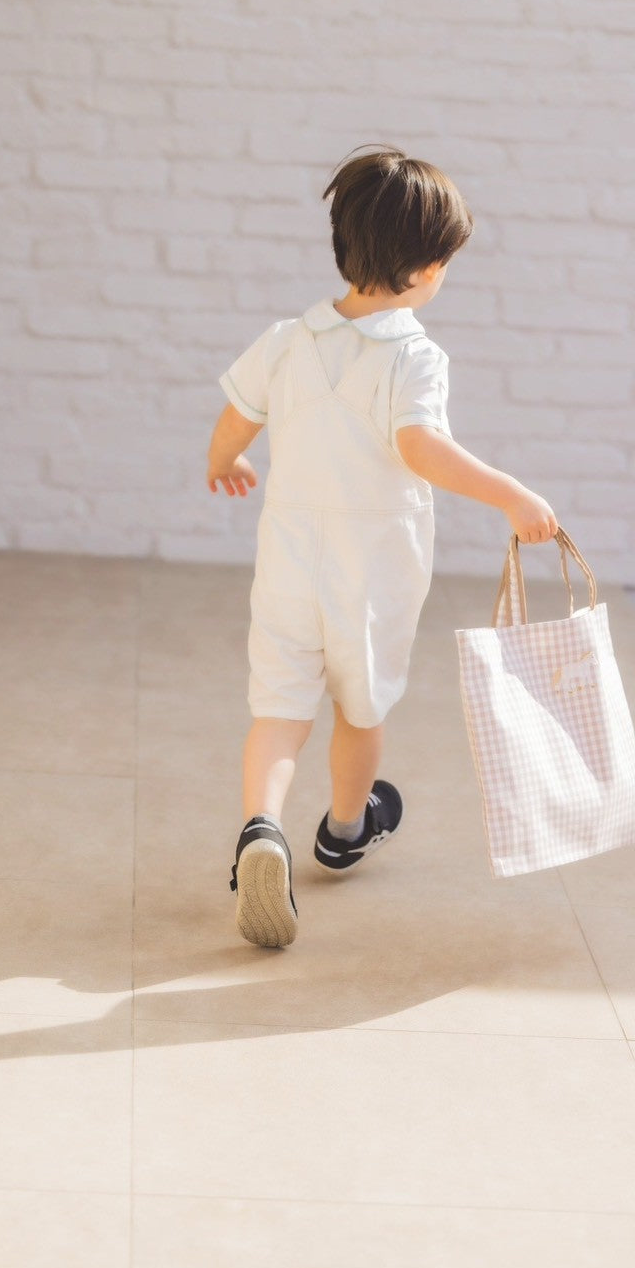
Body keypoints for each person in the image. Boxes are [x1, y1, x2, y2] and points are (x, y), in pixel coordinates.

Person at [206, 145, 558, 948]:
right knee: (359, 707)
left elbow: (235, 417)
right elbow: (419, 447)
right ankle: (343, 827)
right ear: (428, 269)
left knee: (279, 707)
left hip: (289, 559)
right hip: (371, 570)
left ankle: (261, 827)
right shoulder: (413, 355)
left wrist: (224, 461)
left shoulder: (286, 339)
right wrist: (510, 493)